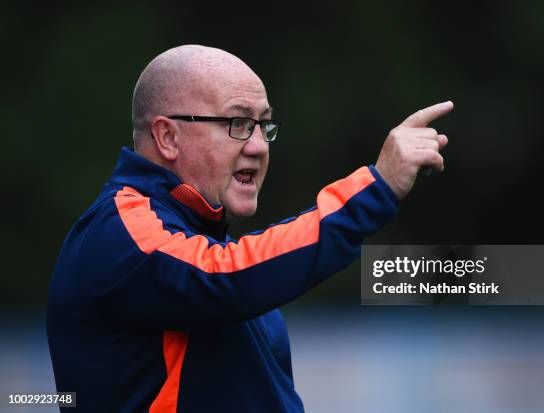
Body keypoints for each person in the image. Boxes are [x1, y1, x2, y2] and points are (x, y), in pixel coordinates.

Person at [47, 44, 453, 412]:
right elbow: (222, 277)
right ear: (167, 137)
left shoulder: (209, 246)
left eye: (265, 126)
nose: (259, 146)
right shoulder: (120, 230)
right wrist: (375, 188)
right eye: (238, 124)